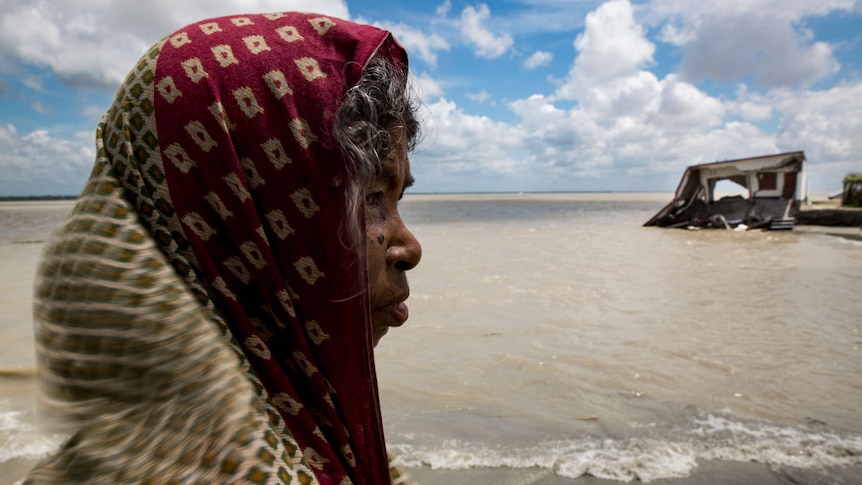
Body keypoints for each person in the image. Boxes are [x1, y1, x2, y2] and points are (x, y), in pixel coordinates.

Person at [26, 11, 421, 485]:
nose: (410, 247)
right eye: (370, 198)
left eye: (396, 197)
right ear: (248, 219)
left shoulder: (300, 424)